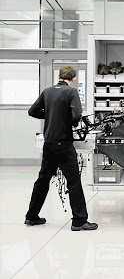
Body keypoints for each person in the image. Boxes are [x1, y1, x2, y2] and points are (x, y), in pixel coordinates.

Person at [25, 66, 98, 231]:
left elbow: (32, 111)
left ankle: (31, 216)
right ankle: (79, 221)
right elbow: (77, 115)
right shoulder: (71, 93)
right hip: (63, 145)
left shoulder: (47, 91)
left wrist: (51, 114)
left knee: (42, 180)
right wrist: (67, 119)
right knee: (73, 182)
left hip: (49, 143)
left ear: (59, 76)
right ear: (73, 79)